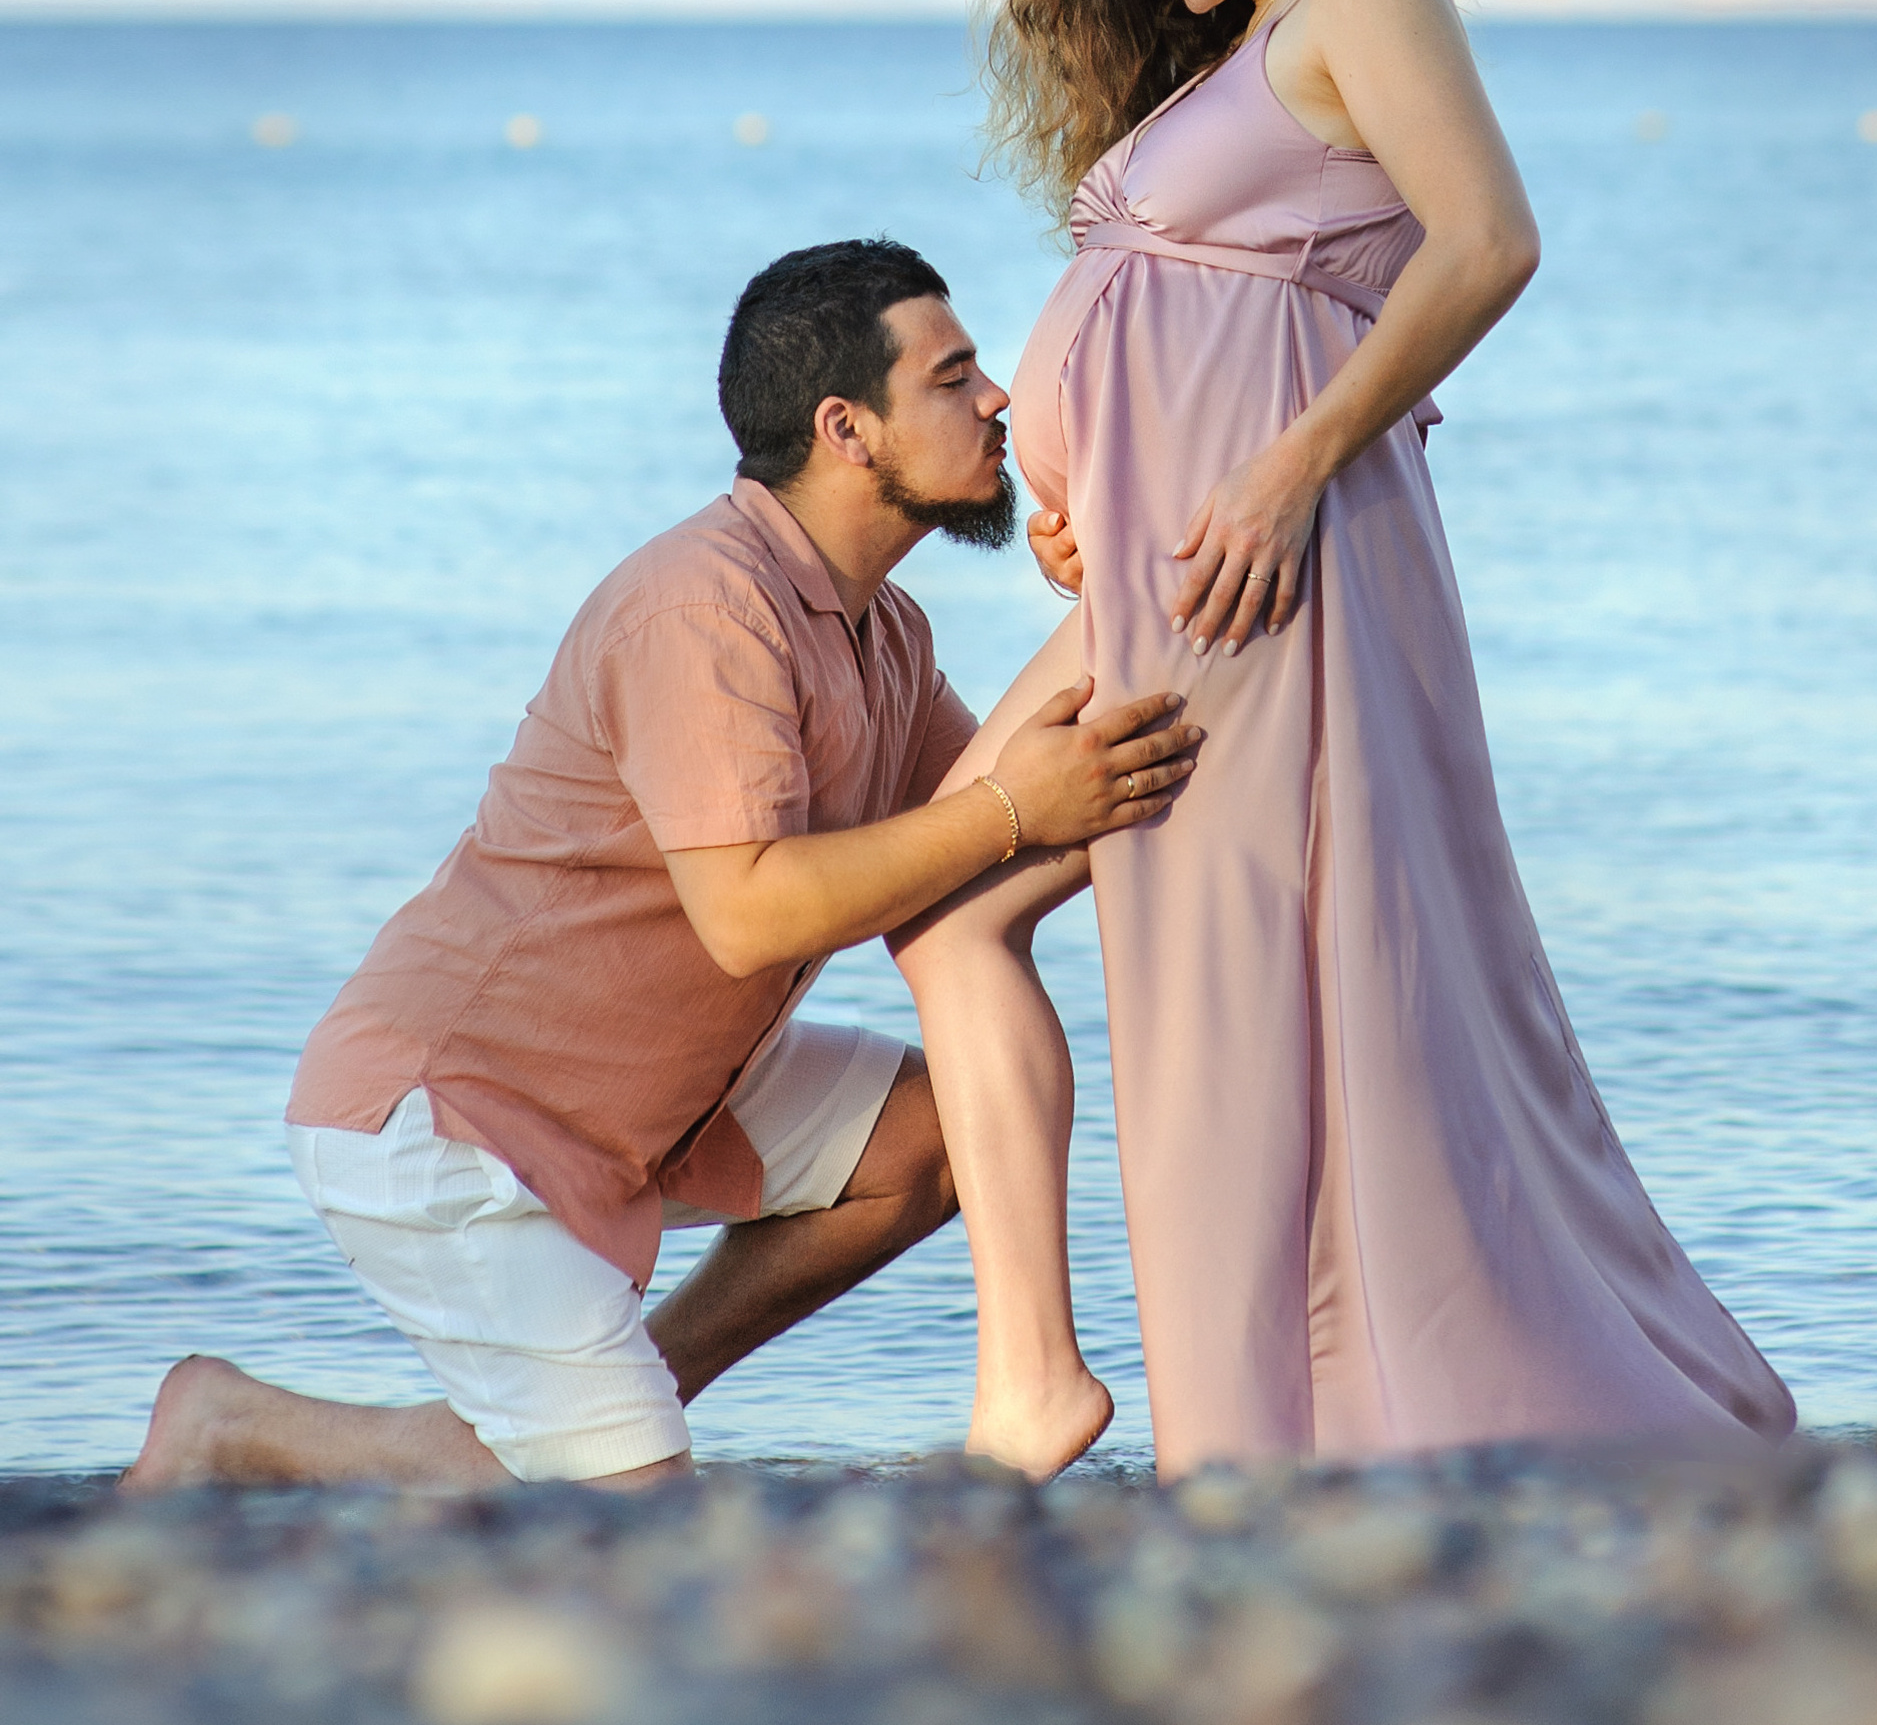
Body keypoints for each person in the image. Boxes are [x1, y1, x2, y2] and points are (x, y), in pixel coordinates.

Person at [895, 0, 1796, 1482]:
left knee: (1234, 992)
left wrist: (1286, 462)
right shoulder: (1246, 53)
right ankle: (1050, 1381)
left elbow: (1487, 242)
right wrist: (1086, 480)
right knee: (949, 902)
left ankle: (1238, 1438)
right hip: (1179, 580)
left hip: (1267, 586)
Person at [124, 238, 1195, 1494]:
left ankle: (606, 1398)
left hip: (662, 1090)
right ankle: (235, 1425)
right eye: (955, 377)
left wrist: (1117, 575)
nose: (1001, 399)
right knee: (634, 1538)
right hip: (457, 1120)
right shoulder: (704, 608)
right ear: (847, 429)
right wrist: (1017, 808)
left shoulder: (883, 630)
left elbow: (985, 833)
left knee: (944, 1132)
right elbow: (754, 912)